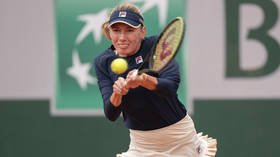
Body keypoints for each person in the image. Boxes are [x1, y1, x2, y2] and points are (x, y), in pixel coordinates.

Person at [94, 2, 217, 157]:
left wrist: (143, 79)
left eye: (130, 30)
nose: (122, 37)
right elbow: (111, 113)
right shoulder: (103, 61)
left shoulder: (156, 46)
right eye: (116, 30)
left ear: (142, 31)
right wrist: (118, 93)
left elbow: (170, 87)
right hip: (141, 143)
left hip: (178, 138)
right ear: (109, 32)